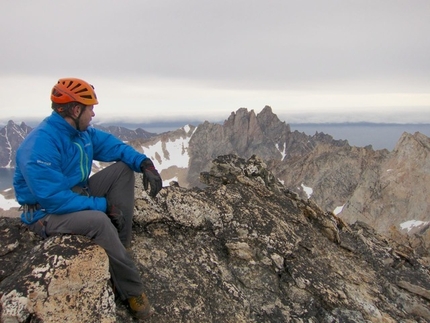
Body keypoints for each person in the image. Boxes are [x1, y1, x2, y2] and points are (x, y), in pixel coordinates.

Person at [13, 77, 162, 320]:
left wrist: (143, 163)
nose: (93, 113)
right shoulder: (40, 145)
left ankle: (120, 248)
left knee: (124, 170)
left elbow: (114, 147)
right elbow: (54, 200)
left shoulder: (80, 133)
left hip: (75, 195)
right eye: (90, 108)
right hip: (46, 213)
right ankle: (132, 291)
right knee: (98, 220)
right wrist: (103, 205)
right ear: (75, 109)